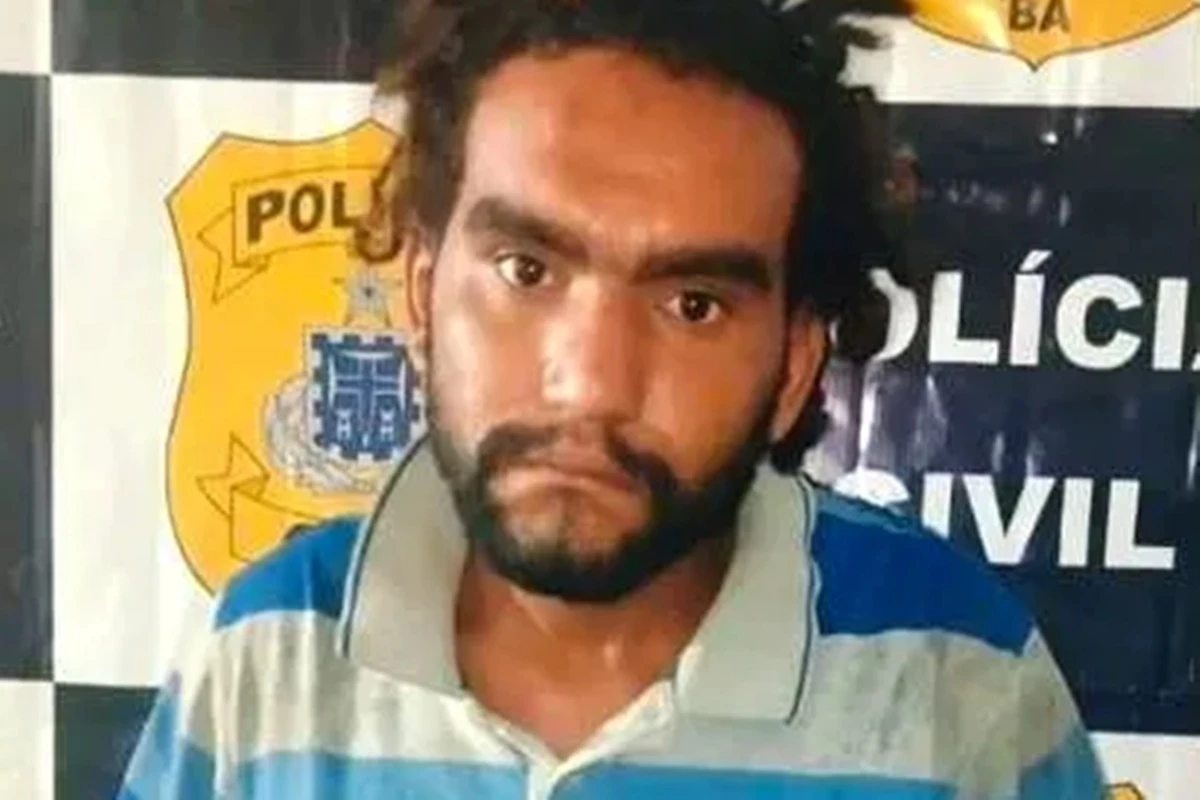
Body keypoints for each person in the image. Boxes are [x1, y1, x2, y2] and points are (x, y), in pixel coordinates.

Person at [119, 0, 1108, 797]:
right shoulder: (269, 653)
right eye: (526, 270)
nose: (589, 380)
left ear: (794, 366)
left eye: (692, 304)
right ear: (421, 294)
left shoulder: (955, 676)